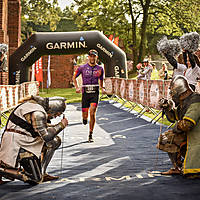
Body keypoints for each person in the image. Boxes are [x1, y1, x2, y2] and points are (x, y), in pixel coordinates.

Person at [0, 96, 68, 185]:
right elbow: (46, 136)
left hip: (25, 139)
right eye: (57, 114)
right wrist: (61, 125)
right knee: (35, 179)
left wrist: (55, 126)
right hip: (19, 142)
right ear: (52, 109)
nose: (56, 116)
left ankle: (42, 173)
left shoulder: (35, 107)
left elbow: (37, 127)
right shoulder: (38, 112)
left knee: (55, 141)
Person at [157, 75, 200, 178]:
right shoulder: (185, 101)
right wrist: (168, 108)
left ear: (180, 92)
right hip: (190, 136)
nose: (172, 96)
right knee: (166, 138)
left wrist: (176, 128)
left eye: (174, 93)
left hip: (197, 139)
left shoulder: (196, 101)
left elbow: (187, 124)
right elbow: (174, 117)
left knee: (192, 174)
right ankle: (177, 167)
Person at [73, 49, 105, 143]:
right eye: (90, 56)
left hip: (95, 93)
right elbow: (74, 77)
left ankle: (90, 134)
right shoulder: (82, 68)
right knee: (86, 114)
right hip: (85, 94)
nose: (92, 58)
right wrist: (77, 87)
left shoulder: (100, 68)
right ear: (88, 57)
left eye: (94, 56)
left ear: (96, 57)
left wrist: (102, 87)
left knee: (92, 112)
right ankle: (84, 118)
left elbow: (101, 79)